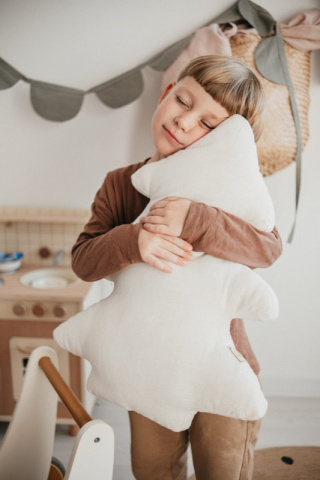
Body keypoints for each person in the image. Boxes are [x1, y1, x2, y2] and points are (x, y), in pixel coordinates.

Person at [71, 55, 282, 480]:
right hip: (147, 364)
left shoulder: (233, 194)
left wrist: (197, 219)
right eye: (183, 102)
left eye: (208, 124)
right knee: (152, 470)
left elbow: (267, 250)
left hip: (221, 362)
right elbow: (83, 261)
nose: (185, 122)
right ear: (167, 94)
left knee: (223, 470)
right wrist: (134, 239)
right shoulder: (120, 184)